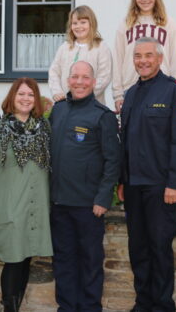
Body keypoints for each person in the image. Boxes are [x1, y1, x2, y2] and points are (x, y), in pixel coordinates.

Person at [118, 37, 176, 312]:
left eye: (149, 55)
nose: (143, 61)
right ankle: (143, 303)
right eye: (138, 56)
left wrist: (174, 183)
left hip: (161, 187)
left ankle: (162, 306)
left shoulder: (175, 91)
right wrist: (122, 180)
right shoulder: (131, 94)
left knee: (160, 249)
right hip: (135, 186)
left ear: (160, 58)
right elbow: (125, 141)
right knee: (138, 249)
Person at [49, 60, 121, 312]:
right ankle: (66, 308)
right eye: (75, 77)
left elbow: (113, 161)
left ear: (93, 82)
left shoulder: (102, 116)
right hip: (59, 203)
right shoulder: (57, 110)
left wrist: (103, 198)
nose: (79, 82)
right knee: (63, 262)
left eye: (84, 78)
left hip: (88, 206)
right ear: (68, 80)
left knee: (90, 263)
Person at [0, 78, 53, 312]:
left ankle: (16, 306)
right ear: (12, 97)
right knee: (13, 260)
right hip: (9, 207)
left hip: (36, 206)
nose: (26, 99)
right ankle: (9, 307)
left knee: (26, 260)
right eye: (21, 94)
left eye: (31, 95)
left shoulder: (44, 129)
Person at [112, 0, 176, 112]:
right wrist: (117, 94)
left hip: (163, 90)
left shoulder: (169, 24)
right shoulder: (126, 24)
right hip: (131, 89)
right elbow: (118, 59)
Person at [48, 5, 113, 106]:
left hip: (92, 105)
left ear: (91, 24)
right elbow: (54, 72)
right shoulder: (65, 47)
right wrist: (57, 91)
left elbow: (104, 77)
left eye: (83, 22)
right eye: (75, 23)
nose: (79, 27)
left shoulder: (101, 47)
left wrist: (84, 96)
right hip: (66, 104)